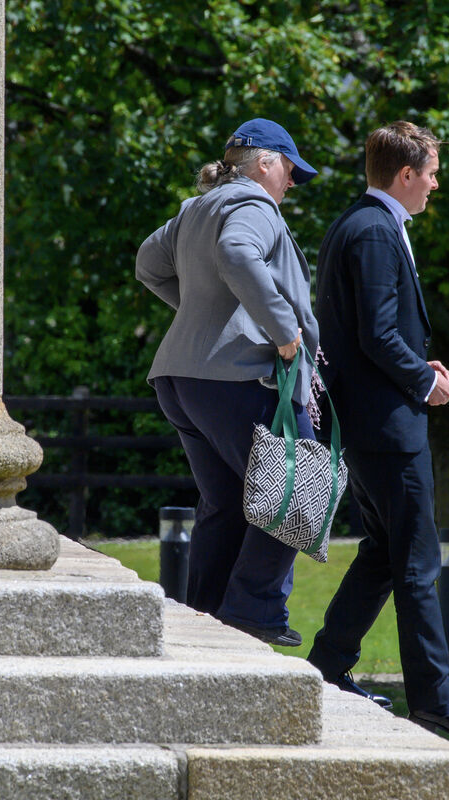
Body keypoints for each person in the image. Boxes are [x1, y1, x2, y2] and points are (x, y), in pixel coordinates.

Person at [306, 121, 449, 746]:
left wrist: (421, 367)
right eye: (432, 172)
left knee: (384, 554)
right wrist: (426, 381)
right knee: (418, 564)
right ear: (406, 174)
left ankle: (328, 666)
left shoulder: (360, 224)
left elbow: (377, 331)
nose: (437, 183)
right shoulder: (371, 230)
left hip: (371, 420)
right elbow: (376, 334)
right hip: (386, 426)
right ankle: (437, 703)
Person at [135, 118, 321, 647]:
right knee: (298, 494)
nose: (290, 183)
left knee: (224, 500)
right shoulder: (254, 205)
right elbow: (239, 254)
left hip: (180, 379)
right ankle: (253, 611)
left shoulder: (197, 206)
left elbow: (148, 264)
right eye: (289, 170)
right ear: (265, 163)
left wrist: (200, 313)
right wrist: (283, 332)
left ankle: (208, 617)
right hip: (237, 377)